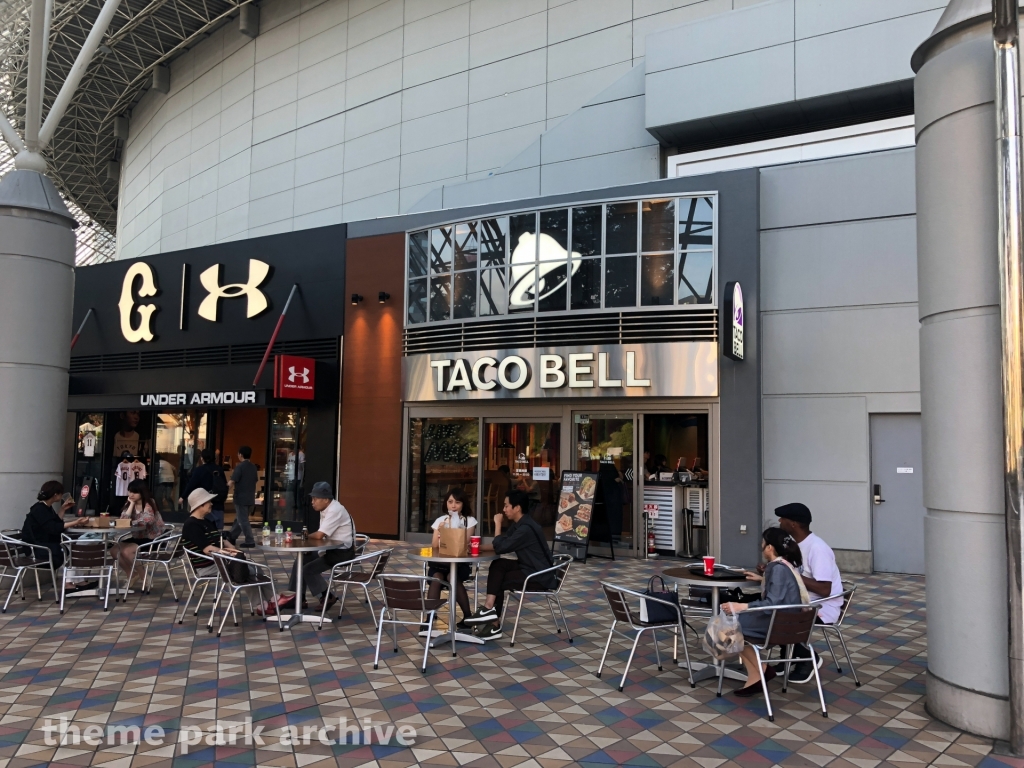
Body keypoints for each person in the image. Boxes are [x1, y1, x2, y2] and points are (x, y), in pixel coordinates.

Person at [721, 527, 810, 697]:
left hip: (779, 625)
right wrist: (763, 579)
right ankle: (756, 677)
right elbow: (781, 591)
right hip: (790, 623)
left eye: (763, 543)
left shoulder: (776, 568)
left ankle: (762, 669)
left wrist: (741, 606)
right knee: (734, 627)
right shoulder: (785, 565)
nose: (761, 546)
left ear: (769, 547)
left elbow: (772, 602)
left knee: (731, 628)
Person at [463, 489, 555, 641]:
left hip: (540, 575)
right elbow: (503, 543)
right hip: (529, 567)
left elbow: (500, 547)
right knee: (498, 565)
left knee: (499, 580)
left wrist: (497, 524)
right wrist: (475, 548)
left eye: (506, 506)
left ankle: (492, 621)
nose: (504, 509)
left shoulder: (525, 529)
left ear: (517, 508)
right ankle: (489, 610)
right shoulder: (521, 523)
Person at [774, 502, 844, 683]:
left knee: (775, 615)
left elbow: (824, 589)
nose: (779, 521)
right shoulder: (795, 545)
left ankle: (808, 658)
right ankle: (787, 658)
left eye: (782, 519)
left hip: (822, 607)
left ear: (793, 524)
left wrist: (790, 572)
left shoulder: (817, 548)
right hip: (803, 602)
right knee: (769, 605)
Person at [274, 482, 355, 614]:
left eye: (315, 499)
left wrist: (303, 538)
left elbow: (319, 535)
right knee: (301, 560)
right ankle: (299, 598)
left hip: (341, 552)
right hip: (330, 549)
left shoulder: (335, 510)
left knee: (308, 570)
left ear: (326, 499)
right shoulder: (326, 509)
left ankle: (327, 596)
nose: (312, 502)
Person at [19, 481, 89, 590]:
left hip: (41, 546)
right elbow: (54, 528)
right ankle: (69, 583)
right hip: (38, 549)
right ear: (55, 495)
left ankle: (78, 580)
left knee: (72, 548)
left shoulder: (45, 507)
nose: (62, 496)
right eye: (61, 493)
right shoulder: (39, 510)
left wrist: (62, 509)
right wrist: (76, 522)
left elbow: (55, 523)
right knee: (70, 549)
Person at [425, 488, 476, 629]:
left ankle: (467, 616)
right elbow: (434, 545)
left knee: (451, 576)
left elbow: (464, 543)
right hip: (440, 564)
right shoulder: (440, 521)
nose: (453, 505)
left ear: (463, 504)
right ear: (446, 503)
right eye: (450, 502)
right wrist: (442, 530)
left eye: (457, 502)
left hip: (460, 564)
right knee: (436, 576)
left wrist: (449, 536)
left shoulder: (469, 521)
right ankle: (429, 617)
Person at [110, 479, 165, 579]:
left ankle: (143, 576)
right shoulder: (130, 503)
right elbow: (123, 520)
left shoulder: (149, 502)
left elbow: (148, 519)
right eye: (130, 491)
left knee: (127, 551)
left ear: (142, 492)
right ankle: (131, 574)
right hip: (139, 537)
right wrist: (131, 504)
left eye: (135, 492)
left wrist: (131, 523)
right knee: (114, 550)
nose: (131, 494)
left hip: (153, 538)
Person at [182, 488, 241, 577]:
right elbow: (207, 549)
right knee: (249, 569)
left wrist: (234, 550)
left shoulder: (206, 521)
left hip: (217, 561)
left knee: (248, 567)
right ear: (200, 505)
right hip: (208, 566)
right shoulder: (191, 525)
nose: (211, 504)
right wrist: (230, 554)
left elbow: (219, 539)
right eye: (209, 502)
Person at [181, 448, 227, 530]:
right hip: (218, 501)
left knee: (206, 526)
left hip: (204, 502)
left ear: (202, 458)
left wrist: (183, 496)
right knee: (218, 528)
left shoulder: (199, 470)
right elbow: (224, 485)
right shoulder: (219, 469)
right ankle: (219, 541)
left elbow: (191, 484)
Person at [227, 446, 258, 548]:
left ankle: (250, 540)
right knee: (239, 519)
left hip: (240, 497)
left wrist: (224, 490)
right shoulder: (253, 467)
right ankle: (231, 537)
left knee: (242, 520)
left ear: (240, 455)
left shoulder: (239, 467)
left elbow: (232, 481)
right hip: (250, 497)